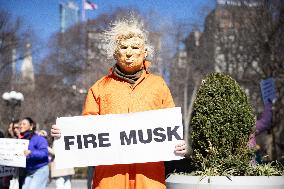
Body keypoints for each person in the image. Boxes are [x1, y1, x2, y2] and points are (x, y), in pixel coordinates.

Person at [51, 18, 187, 189]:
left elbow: (170, 127)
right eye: (123, 47)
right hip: (109, 179)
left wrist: (178, 144)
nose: (129, 53)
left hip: (149, 178)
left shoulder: (158, 85)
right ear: (115, 53)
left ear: (145, 52)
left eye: (135, 47)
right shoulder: (99, 87)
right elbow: (86, 130)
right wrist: (65, 134)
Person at [19, 117, 49, 189]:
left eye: (24, 124)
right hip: (29, 171)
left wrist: (31, 153)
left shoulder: (39, 138)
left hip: (40, 169)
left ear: (31, 126)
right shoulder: (21, 140)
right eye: (20, 124)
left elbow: (45, 153)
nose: (21, 126)